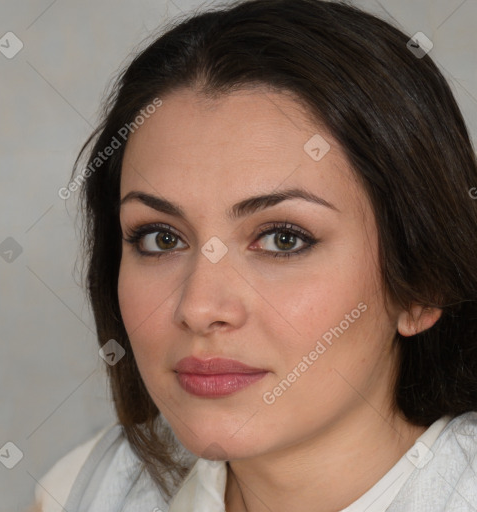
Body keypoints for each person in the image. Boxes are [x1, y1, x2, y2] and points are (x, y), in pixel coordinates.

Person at [31, 0, 477, 510]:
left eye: (283, 239)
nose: (198, 308)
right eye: (161, 238)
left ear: (422, 283)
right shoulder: (89, 489)